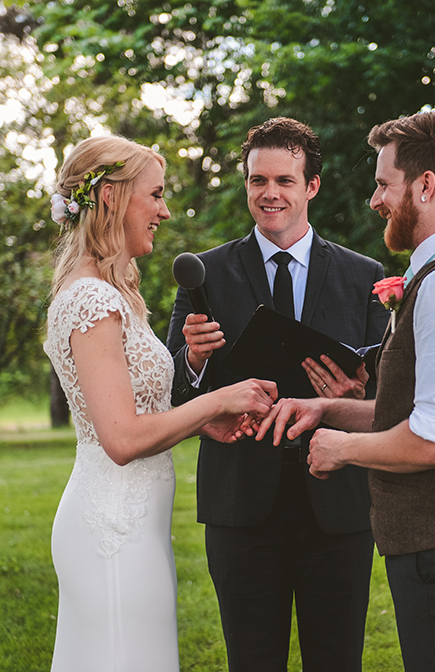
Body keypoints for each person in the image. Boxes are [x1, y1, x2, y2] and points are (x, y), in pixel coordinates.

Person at [255, 109, 435, 672]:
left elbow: (434, 441)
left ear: (425, 186)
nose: (374, 200)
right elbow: (419, 411)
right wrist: (327, 407)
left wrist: (340, 447)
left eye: (383, 184)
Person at [42, 135, 277, 672]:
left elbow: (137, 412)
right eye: (156, 195)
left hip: (139, 524)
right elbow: (121, 439)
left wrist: (199, 424)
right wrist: (219, 398)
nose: (165, 211)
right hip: (111, 527)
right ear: (111, 200)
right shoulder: (92, 299)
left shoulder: (116, 290)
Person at [165, 117, 390, 672]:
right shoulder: (205, 275)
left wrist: (359, 390)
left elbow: (391, 396)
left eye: (284, 181)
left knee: (337, 661)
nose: (269, 193)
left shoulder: (365, 277)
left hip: (337, 504)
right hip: (240, 503)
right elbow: (170, 391)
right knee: (251, 661)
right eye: (257, 180)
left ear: (311, 186)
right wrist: (193, 359)